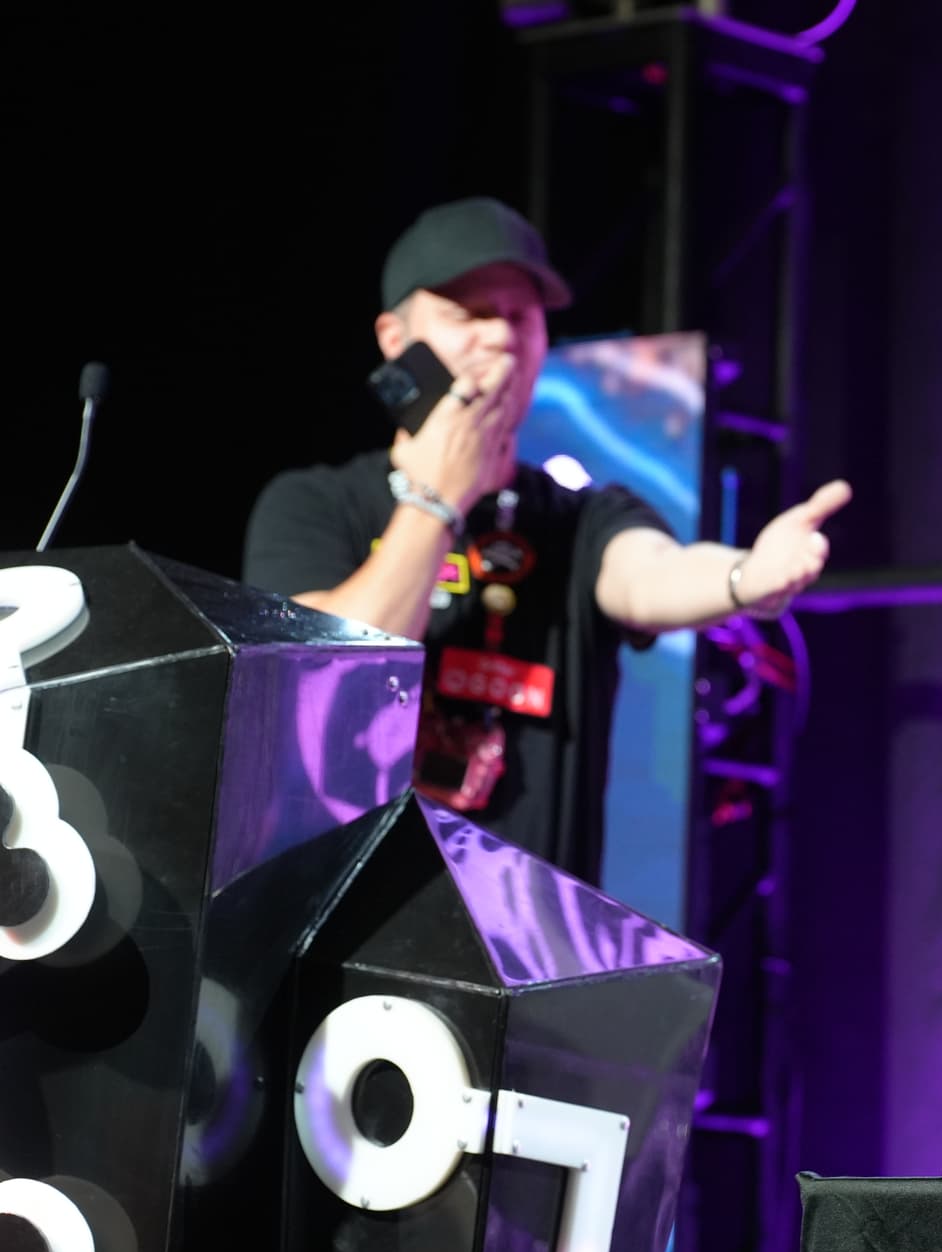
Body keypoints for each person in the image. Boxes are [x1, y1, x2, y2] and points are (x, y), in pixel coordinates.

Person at [243, 196, 850, 884]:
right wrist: (439, 498)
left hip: (527, 939)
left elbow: (651, 574)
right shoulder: (315, 503)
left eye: (519, 316)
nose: (500, 339)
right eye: (471, 313)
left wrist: (745, 576)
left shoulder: (579, 516)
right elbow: (328, 682)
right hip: (345, 915)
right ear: (394, 337)